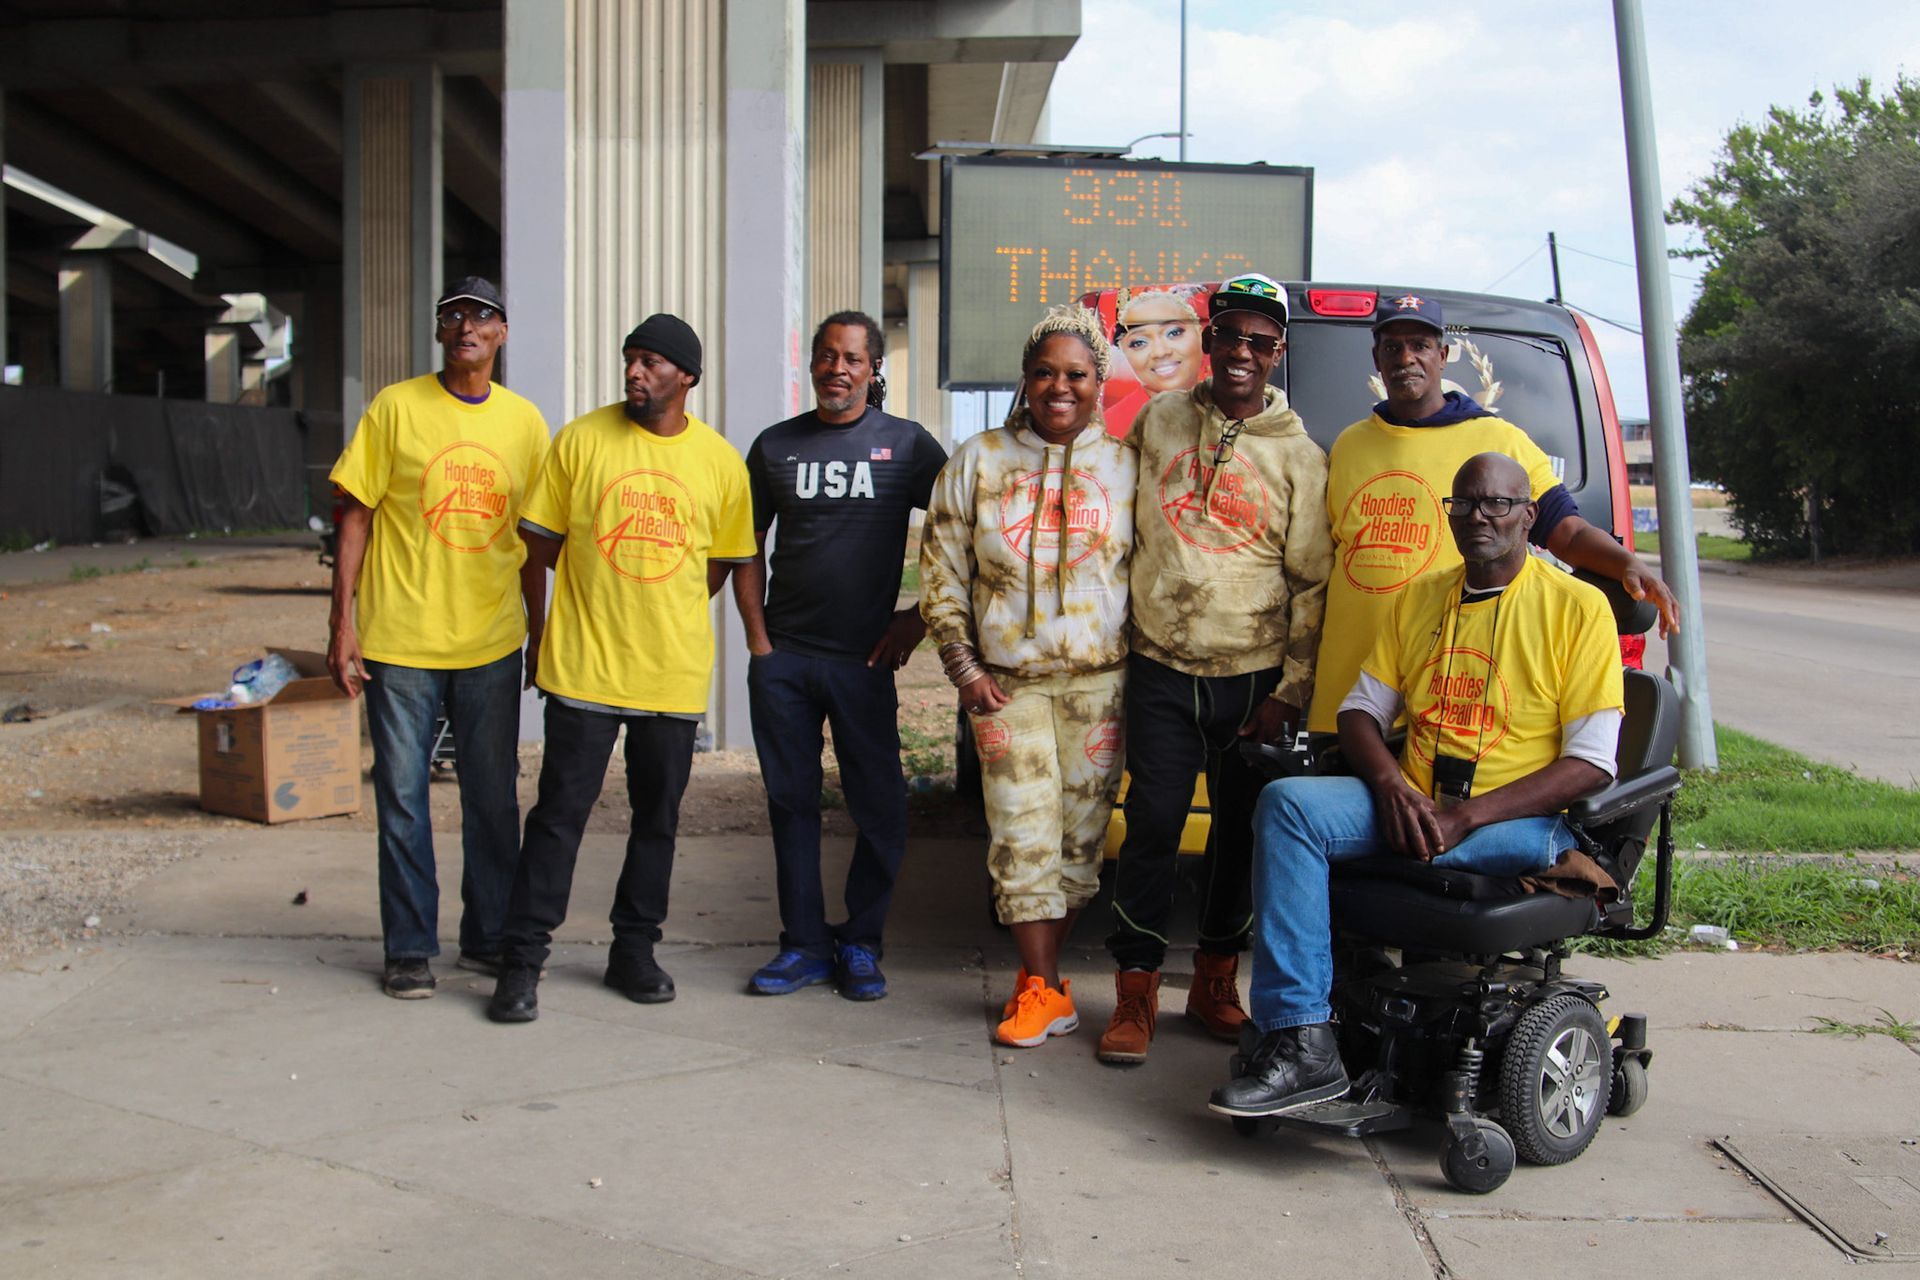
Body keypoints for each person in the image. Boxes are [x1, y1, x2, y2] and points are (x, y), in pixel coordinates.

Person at [1210, 453, 1626, 1116]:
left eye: (1497, 504)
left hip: (1515, 821)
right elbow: (1358, 714)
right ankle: (1302, 1042)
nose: (1479, 517)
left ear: (1527, 516)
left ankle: (1321, 1031)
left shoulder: (1577, 609)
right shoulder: (1423, 596)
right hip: (1422, 806)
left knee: (1393, 833)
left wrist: (1469, 816)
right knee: (1286, 804)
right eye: (1464, 504)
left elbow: (1593, 764)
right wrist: (1391, 788)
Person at [487, 314, 754, 1023]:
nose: (635, 373)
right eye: (630, 360)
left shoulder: (721, 462)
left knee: (656, 821)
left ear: (687, 377)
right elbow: (535, 551)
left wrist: (664, 608)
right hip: (582, 669)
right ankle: (521, 962)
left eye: (652, 363)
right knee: (557, 819)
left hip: (671, 674)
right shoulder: (581, 440)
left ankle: (633, 950)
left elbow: (726, 559)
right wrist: (541, 639)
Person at [1100, 271, 1332, 1066]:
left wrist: (1291, 693)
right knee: (1153, 828)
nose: (1240, 352)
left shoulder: (1301, 457)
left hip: (1254, 678)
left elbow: (1312, 584)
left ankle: (1213, 981)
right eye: (1227, 334)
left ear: (1278, 353)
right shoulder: (1159, 420)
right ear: (1209, 341)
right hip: (1161, 667)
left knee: (1240, 837)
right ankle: (1135, 990)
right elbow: (1110, 525)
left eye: (1257, 341)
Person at [1306, 292, 1678, 736]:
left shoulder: (1497, 439)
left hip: (1446, 688)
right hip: (1347, 689)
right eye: (1393, 347)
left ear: (1443, 356)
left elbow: (1567, 532)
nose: (1406, 358)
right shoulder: (1350, 444)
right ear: (1377, 360)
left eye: (1420, 346)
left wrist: (1628, 564)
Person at [325, 275, 550, 1000]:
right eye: (452, 316)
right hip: (399, 640)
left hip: (490, 641)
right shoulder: (395, 408)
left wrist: (543, 631)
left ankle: (487, 938)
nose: (466, 327)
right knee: (402, 798)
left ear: (502, 334)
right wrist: (341, 623)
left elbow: (538, 539)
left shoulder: (525, 425)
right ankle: (410, 949)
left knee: (492, 800)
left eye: (481, 317)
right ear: (439, 332)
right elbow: (353, 516)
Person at [920, 304, 1137, 1048]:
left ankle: (1043, 984)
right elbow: (942, 567)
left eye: (1076, 374)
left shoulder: (1127, 464)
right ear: (1026, 377)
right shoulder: (978, 459)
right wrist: (963, 667)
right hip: (1005, 688)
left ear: (1098, 381)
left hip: (1100, 687)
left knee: (1079, 846)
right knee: (1019, 839)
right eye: (1044, 372)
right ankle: (1042, 988)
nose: (1058, 387)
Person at [734, 311, 948, 1001]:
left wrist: (918, 620)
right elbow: (746, 548)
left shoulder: (908, 446)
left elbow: (965, 531)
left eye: (852, 358)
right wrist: (759, 644)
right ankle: (801, 946)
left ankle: (859, 941)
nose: (838, 369)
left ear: (873, 368)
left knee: (880, 808)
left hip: (864, 663)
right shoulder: (775, 447)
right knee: (790, 805)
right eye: (827, 356)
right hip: (787, 662)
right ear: (813, 364)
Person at [1101, 287, 1208, 438]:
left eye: (1174, 333)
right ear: (1123, 350)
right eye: (1139, 343)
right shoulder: (1109, 432)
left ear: (1200, 332)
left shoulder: (1235, 410)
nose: (1160, 352)